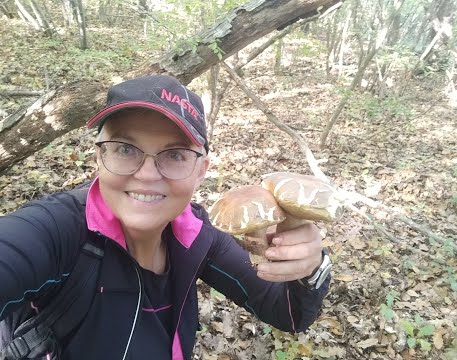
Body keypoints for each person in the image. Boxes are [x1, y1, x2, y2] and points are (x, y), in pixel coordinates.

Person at [0, 75, 331, 360]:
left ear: (201, 170)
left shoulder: (199, 235)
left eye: (174, 154)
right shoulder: (57, 232)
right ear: (99, 156)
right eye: (125, 149)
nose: (146, 175)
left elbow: (289, 313)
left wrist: (308, 265)